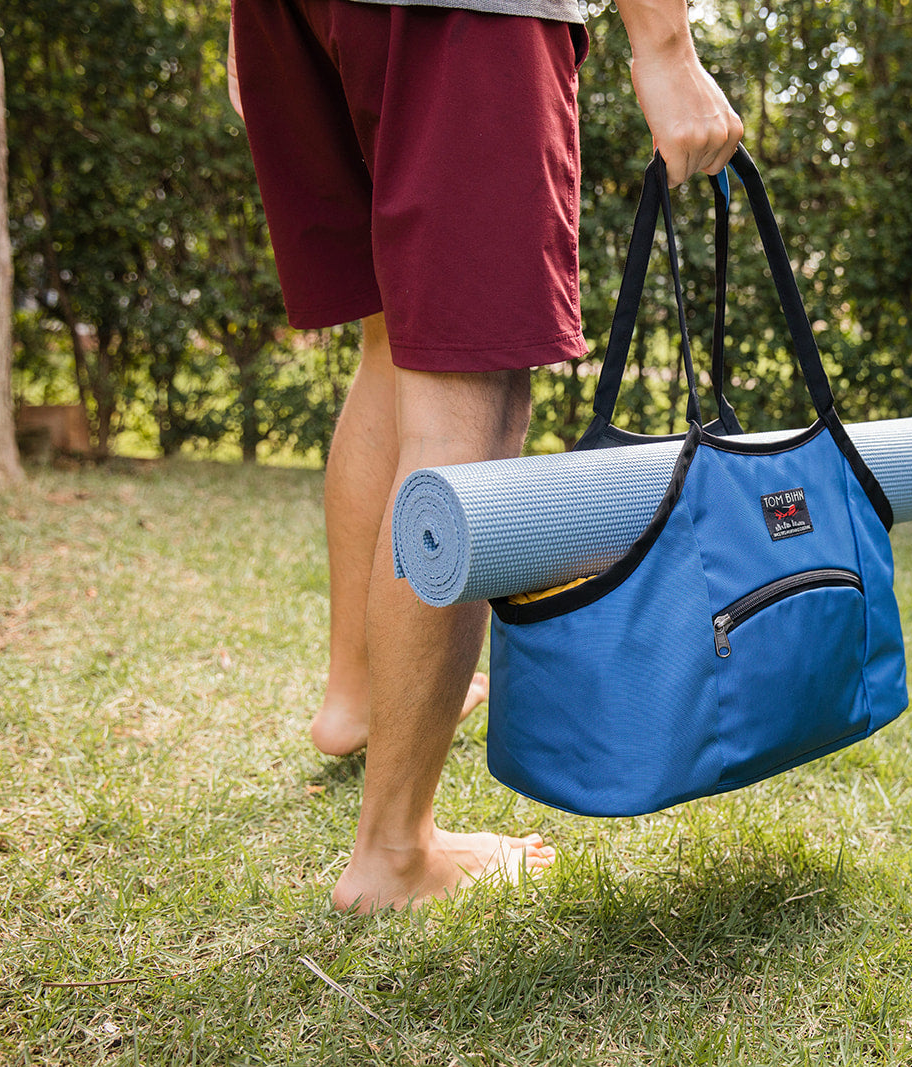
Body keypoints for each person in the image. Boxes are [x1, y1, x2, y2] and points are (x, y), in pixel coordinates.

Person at [227, 0, 743, 913]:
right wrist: (665, 46)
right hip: (463, 14)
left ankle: (353, 701)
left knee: (390, 345)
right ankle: (394, 854)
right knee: (470, 387)